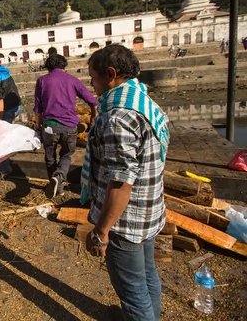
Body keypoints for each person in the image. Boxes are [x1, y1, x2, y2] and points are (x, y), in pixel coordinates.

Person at [82, 44, 169, 321]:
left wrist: (101, 231)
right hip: (149, 211)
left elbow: (120, 182)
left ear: (110, 75)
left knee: (132, 291)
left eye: (93, 78)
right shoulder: (143, 102)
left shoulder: (117, 117)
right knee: (146, 277)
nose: (91, 84)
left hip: (126, 221)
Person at [34, 54, 97, 197]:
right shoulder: (72, 80)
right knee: (66, 155)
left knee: (50, 157)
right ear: (64, 66)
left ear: (48, 67)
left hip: (49, 126)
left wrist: (38, 125)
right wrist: (93, 115)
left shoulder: (42, 81)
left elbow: (38, 107)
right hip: (69, 126)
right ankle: (59, 177)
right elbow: (92, 101)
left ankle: (57, 185)